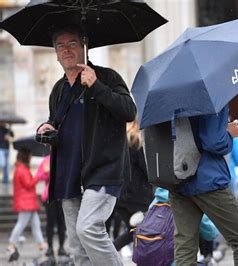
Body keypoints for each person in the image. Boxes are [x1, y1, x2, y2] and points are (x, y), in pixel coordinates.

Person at [36, 25, 136, 265]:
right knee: (78, 250)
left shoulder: (107, 77)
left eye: (72, 43)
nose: (66, 50)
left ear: (84, 46)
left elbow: (128, 111)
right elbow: (57, 122)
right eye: (61, 46)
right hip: (69, 174)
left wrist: (97, 86)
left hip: (103, 170)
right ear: (55, 53)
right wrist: (47, 128)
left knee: (89, 228)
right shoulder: (59, 90)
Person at [168, 106, 238, 265]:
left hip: (178, 178)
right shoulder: (210, 97)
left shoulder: (169, 98)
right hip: (207, 179)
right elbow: (214, 142)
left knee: (185, 246)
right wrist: (229, 134)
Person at [113, 117, 153, 251]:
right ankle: (107, 253)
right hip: (137, 197)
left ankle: (108, 253)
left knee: (135, 232)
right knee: (141, 231)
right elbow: (147, 171)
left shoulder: (122, 140)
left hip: (122, 195)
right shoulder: (137, 141)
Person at [7, 148, 47, 262]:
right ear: (25, 157)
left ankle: (41, 244)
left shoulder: (21, 168)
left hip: (28, 201)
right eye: (29, 156)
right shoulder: (22, 169)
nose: (30, 157)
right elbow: (29, 184)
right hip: (26, 202)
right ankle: (11, 244)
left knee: (36, 224)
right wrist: (39, 176)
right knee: (21, 224)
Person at [35, 154, 68, 258]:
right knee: (50, 223)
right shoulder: (46, 160)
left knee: (61, 223)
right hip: (49, 196)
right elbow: (38, 176)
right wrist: (46, 172)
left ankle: (61, 247)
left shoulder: (64, 157)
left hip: (62, 195)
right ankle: (50, 247)